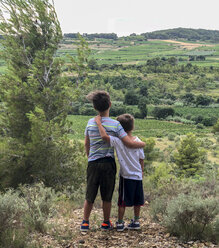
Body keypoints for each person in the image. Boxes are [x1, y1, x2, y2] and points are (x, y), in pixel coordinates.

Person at [80, 91, 145, 232]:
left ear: (94, 107)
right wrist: (142, 144)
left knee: (90, 194)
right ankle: (105, 223)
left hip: (93, 162)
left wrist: (89, 157)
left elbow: (87, 143)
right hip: (108, 163)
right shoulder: (115, 125)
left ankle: (85, 222)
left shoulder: (90, 122)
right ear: (110, 104)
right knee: (107, 195)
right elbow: (128, 142)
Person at [95, 113, 145, 232]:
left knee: (122, 202)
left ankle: (120, 223)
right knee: (137, 200)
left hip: (126, 176)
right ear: (132, 127)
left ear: (119, 128)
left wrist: (98, 123)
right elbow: (141, 159)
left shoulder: (117, 141)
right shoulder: (138, 141)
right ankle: (136, 221)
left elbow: (104, 137)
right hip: (137, 176)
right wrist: (141, 172)